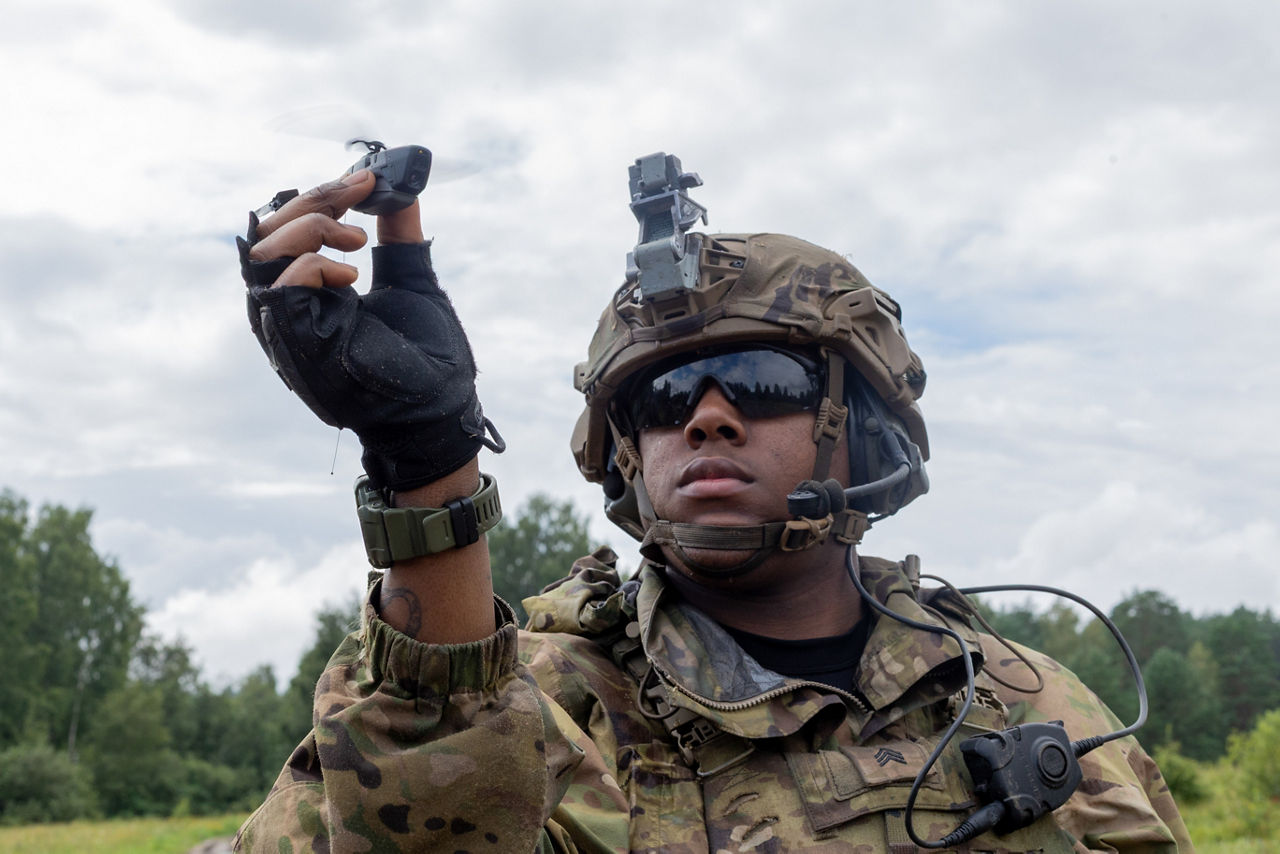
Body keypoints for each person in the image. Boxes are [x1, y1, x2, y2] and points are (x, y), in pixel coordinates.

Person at [233, 154, 1193, 853]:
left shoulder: (1025, 699)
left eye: (762, 382)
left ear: (854, 421)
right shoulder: (536, 706)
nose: (708, 420)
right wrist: (425, 458)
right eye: (661, 400)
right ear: (626, 453)